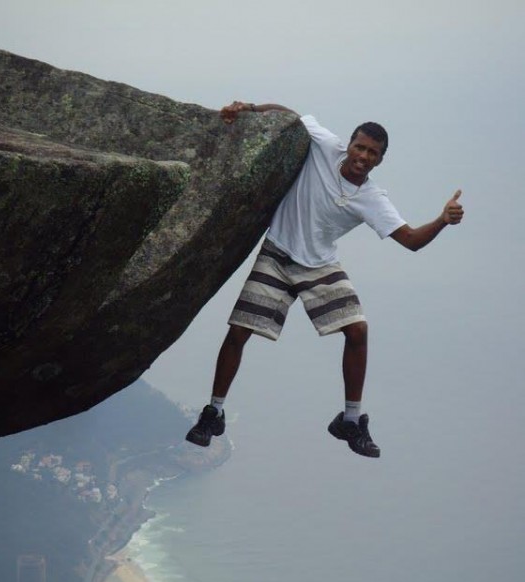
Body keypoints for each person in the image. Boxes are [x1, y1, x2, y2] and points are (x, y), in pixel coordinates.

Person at [186, 101, 464, 458]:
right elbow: (290, 115)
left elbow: (410, 241)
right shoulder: (325, 145)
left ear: (380, 159)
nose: (363, 156)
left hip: (319, 265)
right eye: (359, 147)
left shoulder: (372, 198)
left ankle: (350, 420)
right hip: (278, 251)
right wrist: (248, 108)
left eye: (372, 153)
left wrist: (442, 219)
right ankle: (214, 413)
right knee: (239, 330)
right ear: (349, 144)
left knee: (358, 330)